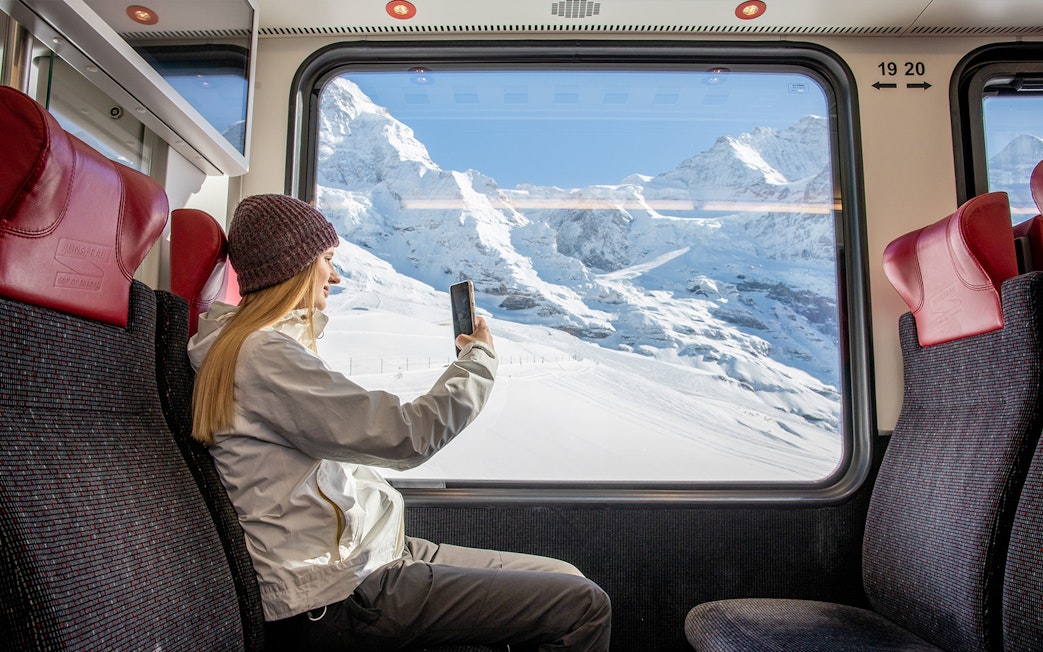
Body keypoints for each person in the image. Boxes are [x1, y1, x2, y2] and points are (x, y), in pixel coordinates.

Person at [188, 194, 611, 651]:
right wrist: (478, 360)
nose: (336, 274)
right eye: (327, 260)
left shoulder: (255, 349)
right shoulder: (264, 356)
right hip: (337, 592)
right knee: (582, 608)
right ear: (292, 266)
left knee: (564, 577)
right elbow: (408, 436)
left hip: (371, 555)